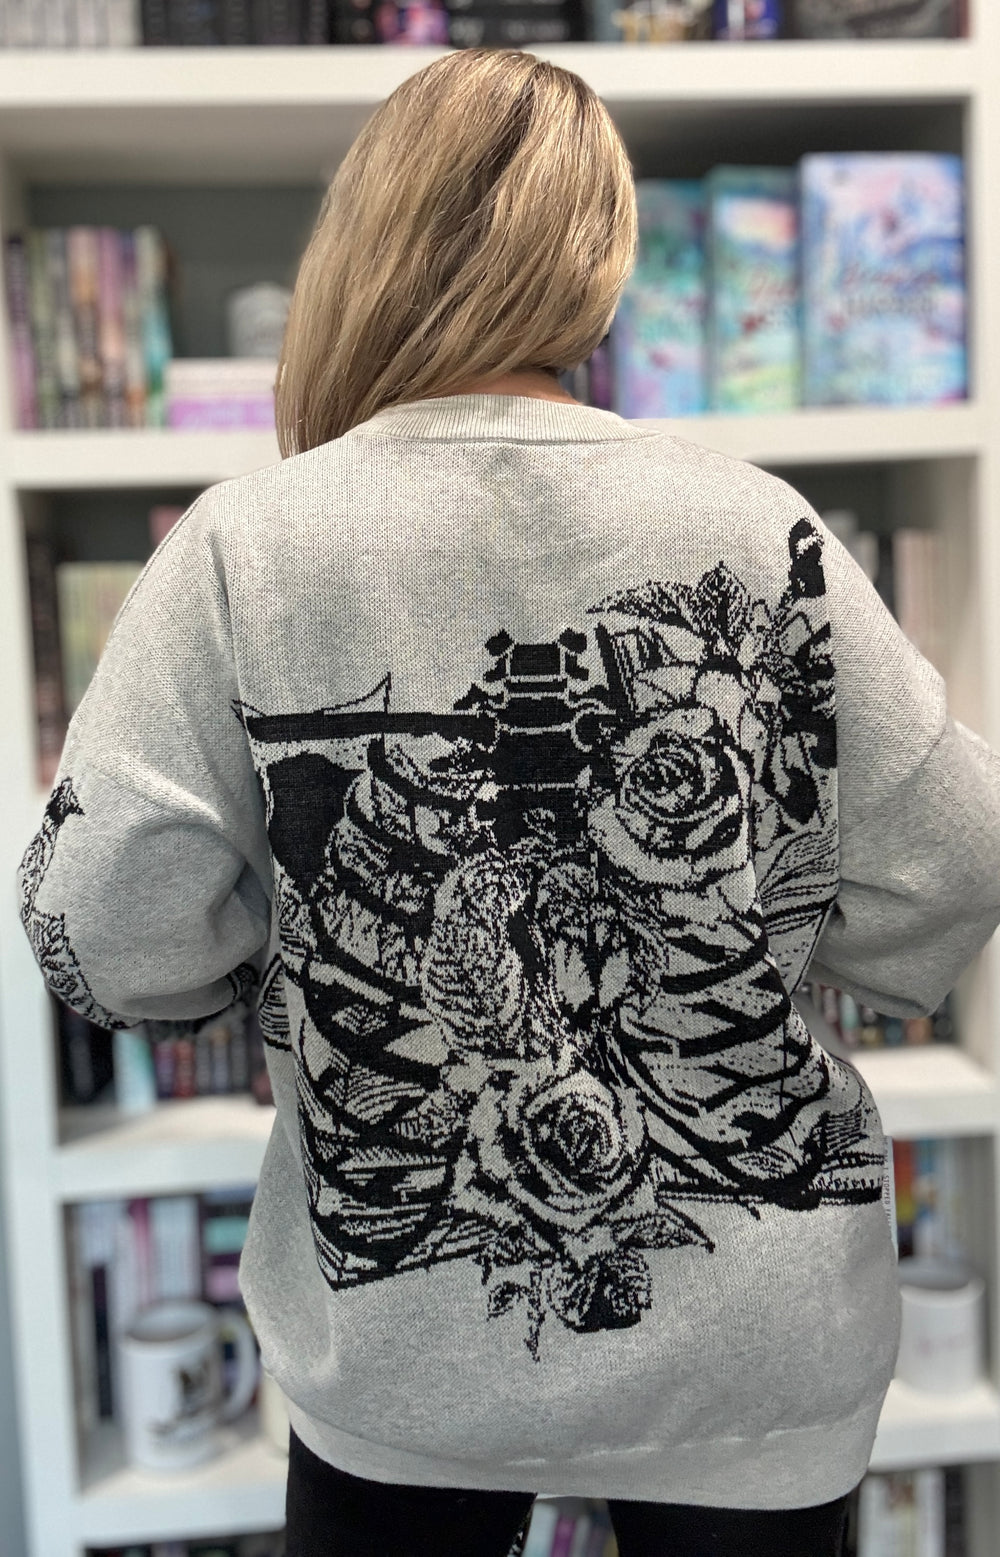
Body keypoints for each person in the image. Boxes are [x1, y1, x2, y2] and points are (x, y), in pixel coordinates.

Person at [16, 47, 1000, 1557]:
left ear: (367, 243)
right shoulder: (758, 524)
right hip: (760, 1347)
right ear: (599, 259)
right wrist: (759, 932)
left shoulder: (244, 542)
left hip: (398, 1344)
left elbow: (103, 927)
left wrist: (296, 969)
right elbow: (958, 855)